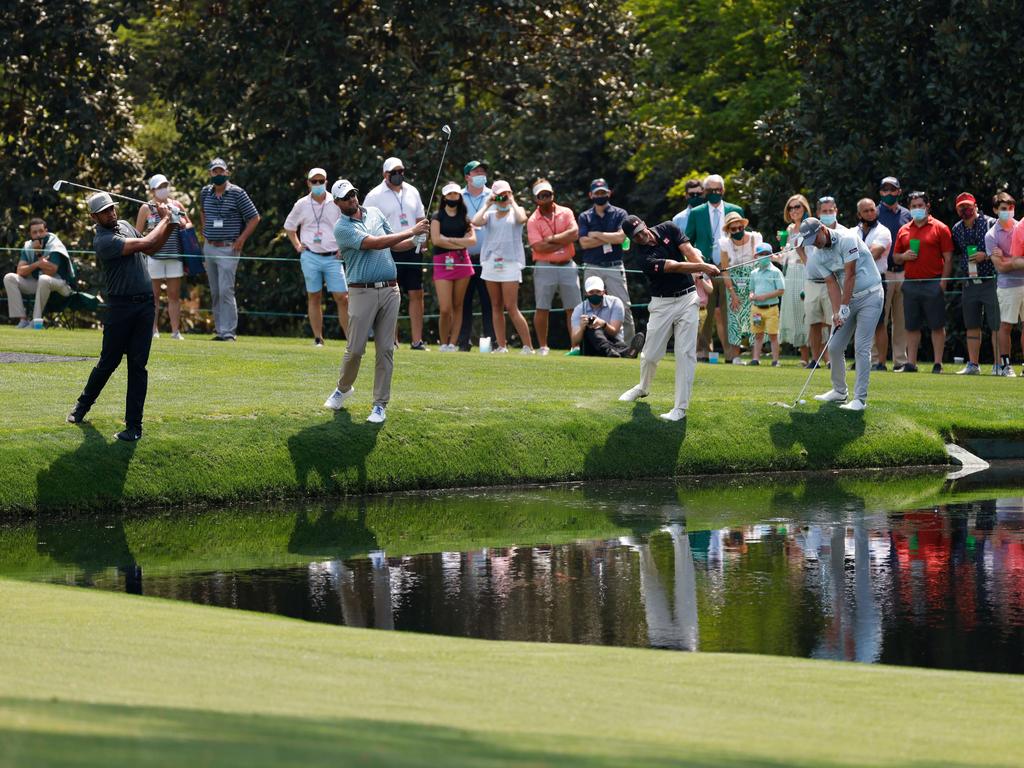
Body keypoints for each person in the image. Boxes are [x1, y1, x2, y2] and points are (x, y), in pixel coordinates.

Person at [67, 192, 178, 440]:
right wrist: (164, 219)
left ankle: (134, 427)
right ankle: (82, 406)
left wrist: (171, 225)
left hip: (145, 306)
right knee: (109, 362)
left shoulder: (126, 226)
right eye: (105, 211)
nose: (111, 213)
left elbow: (153, 249)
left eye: (112, 208)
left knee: (138, 366)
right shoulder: (103, 241)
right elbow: (147, 242)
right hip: (120, 308)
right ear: (94, 217)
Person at [323, 180, 429, 423]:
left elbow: (393, 242)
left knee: (385, 350)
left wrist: (415, 241)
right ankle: (343, 388)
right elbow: (374, 243)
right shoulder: (342, 228)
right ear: (336, 203)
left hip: (390, 290)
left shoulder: (376, 213)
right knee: (355, 349)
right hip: (362, 292)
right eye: (345, 197)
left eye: (352, 194)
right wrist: (411, 231)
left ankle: (380, 405)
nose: (351, 199)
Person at [618, 214, 720, 421]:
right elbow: (674, 266)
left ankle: (680, 408)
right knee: (651, 355)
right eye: (636, 236)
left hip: (688, 299)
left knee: (685, 354)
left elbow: (688, 251)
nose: (642, 237)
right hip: (662, 304)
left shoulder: (668, 228)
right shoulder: (641, 256)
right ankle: (643, 387)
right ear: (631, 238)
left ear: (645, 225)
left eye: (642, 231)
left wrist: (702, 271)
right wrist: (703, 267)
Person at [794, 217, 884, 411]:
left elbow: (850, 274)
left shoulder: (847, 238)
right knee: (834, 346)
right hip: (848, 299)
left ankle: (859, 399)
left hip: (871, 295)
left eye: (816, 239)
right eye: (810, 243)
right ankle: (839, 391)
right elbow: (832, 283)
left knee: (861, 347)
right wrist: (837, 312)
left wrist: (844, 306)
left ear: (823, 229)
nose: (815, 244)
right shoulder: (817, 255)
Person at [363, 157, 428, 350]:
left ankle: (417, 341)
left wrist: (424, 237)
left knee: (416, 293)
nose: (399, 175)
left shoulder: (412, 191)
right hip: (388, 249)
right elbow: (366, 224)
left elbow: (420, 218)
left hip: (413, 247)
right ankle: (391, 340)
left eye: (401, 171)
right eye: (394, 172)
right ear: (385, 174)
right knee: (391, 294)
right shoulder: (374, 195)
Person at [284, 167, 349, 347]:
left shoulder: (336, 202)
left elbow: (347, 225)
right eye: (315, 181)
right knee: (314, 296)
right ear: (309, 183)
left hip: (333, 257)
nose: (318, 184)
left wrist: (343, 248)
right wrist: (297, 245)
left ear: (327, 182)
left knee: (343, 297)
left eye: (321, 181)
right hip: (310, 255)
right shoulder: (301, 204)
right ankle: (318, 338)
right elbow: (289, 226)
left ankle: (351, 339)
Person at [199, 157, 260, 341]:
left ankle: (228, 332)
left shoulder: (237, 193)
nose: (218, 174)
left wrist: (242, 238)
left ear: (226, 172)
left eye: (221, 171)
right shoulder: (205, 193)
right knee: (215, 291)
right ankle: (219, 330)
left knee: (226, 290)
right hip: (209, 247)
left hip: (228, 248)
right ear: (210, 173)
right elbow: (203, 211)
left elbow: (254, 217)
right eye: (214, 171)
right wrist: (205, 231)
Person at [471, 180, 535, 354]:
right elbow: (475, 222)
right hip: (491, 263)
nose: (502, 197)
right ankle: (501, 346)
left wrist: (511, 200)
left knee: (511, 307)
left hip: (510, 263)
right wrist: (487, 204)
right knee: (496, 306)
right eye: (499, 194)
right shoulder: (490, 213)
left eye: (505, 194)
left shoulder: (517, 211)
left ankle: (528, 346)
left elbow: (522, 219)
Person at [684, 174, 743, 359]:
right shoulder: (697, 212)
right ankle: (702, 351)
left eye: (718, 190)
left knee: (730, 312)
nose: (715, 193)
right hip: (705, 267)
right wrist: (694, 265)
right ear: (705, 192)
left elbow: (741, 238)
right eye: (710, 190)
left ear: (723, 191)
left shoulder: (735, 210)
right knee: (705, 312)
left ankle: (731, 353)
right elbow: (687, 240)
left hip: (728, 268)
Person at [893, 192, 953, 373]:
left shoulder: (940, 228)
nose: (917, 209)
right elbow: (896, 257)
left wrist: (942, 283)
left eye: (920, 205)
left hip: (933, 282)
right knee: (911, 326)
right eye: (913, 206)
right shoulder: (904, 230)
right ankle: (911, 363)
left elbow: (948, 258)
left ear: (928, 206)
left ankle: (938, 364)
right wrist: (904, 256)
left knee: (937, 325)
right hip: (910, 283)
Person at [577, 178, 634, 343]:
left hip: (614, 266)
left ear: (609, 193)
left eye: (603, 192)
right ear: (591, 195)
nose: (600, 195)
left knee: (624, 306)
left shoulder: (621, 214)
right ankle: (592, 345)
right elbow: (584, 243)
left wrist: (595, 235)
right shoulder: (585, 216)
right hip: (592, 267)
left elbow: (620, 237)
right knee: (589, 308)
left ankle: (629, 346)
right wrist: (609, 238)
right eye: (597, 193)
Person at [526, 178, 580, 355]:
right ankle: (543, 347)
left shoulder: (566, 212)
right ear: (536, 199)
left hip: (568, 265)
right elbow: (538, 247)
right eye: (541, 195)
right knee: (542, 307)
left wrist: (551, 239)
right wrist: (561, 242)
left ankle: (575, 346)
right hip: (544, 266)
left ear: (552, 195)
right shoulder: (533, 220)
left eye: (547, 194)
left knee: (573, 308)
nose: (545, 198)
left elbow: (574, 233)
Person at [135, 174, 189, 340]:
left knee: (174, 295)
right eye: (159, 187)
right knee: (154, 296)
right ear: (152, 190)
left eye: (165, 185)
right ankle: (153, 330)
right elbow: (137, 232)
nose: (163, 189)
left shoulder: (176, 205)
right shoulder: (146, 208)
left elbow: (188, 224)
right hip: (154, 256)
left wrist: (179, 220)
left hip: (174, 255)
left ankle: (175, 331)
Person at [950, 192, 999, 375]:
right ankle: (973, 365)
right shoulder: (956, 229)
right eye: (961, 207)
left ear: (976, 206)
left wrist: (984, 255)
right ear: (957, 209)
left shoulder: (990, 223)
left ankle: (999, 365)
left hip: (991, 280)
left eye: (968, 206)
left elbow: (1002, 249)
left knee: (996, 324)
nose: (965, 209)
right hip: (970, 281)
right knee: (971, 324)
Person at [4, 217, 74, 328]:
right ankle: (23, 320)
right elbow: (20, 271)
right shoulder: (28, 246)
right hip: (39, 283)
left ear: (46, 231)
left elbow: (51, 271)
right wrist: (37, 264)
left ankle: (36, 321)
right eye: (34, 232)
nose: (38, 235)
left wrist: (38, 254)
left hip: (61, 284)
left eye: (41, 231)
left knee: (44, 279)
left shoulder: (54, 244)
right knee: (9, 278)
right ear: (30, 234)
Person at [430, 182, 476, 351]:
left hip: (462, 262)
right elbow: (436, 240)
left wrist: (449, 240)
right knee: (445, 308)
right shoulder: (437, 216)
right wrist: (460, 243)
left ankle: (452, 343)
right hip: (442, 262)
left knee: (458, 305)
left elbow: (472, 241)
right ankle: (443, 342)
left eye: (455, 194)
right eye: (449, 195)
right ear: (444, 197)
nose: (452, 197)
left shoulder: (465, 217)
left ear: (459, 196)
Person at [798, 196, 843, 369]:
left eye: (830, 211)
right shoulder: (807, 231)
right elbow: (800, 248)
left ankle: (832, 360)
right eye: (824, 211)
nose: (828, 214)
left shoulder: (843, 232)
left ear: (836, 211)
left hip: (833, 283)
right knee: (814, 322)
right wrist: (804, 258)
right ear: (818, 213)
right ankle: (815, 359)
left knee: (834, 321)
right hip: (812, 282)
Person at [457, 160, 495, 351]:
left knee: (490, 302)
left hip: (488, 257)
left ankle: (492, 342)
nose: (481, 174)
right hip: (464, 257)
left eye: (483, 171)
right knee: (464, 302)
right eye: (476, 171)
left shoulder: (493, 195)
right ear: (467, 177)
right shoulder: (458, 196)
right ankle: (463, 342)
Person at [875, 176, 911, 370]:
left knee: (901, 320)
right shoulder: (875, 213)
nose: (888, 193)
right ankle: (874, 360)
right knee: (879, 319)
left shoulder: (907, 214)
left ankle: (900, 361)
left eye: (892, 189)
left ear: (899, 191)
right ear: (880, 192)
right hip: (883, 273)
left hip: (904, 273)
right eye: (885, 190)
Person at [851, 198, 892, 371]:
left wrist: (851, 255)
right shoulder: (852, 232)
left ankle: (881, 362)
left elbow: (873, 253)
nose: (870, 213)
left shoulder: (883, 231)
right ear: (859, 214)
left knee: (880, 323)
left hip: (877, 280)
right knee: (855, 321)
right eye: (866, 211)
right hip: (855, 281)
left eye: (872, 210)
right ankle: (860, 360)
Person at [719, 210, 763, 363]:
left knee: (756, 317)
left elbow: (760, 262)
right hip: (733, 285)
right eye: (733, 228)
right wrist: (732, 294)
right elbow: (724, 271)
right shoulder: (725, 244)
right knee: (735, 320)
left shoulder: (755, 238)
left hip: (754, 283)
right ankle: (735, 356)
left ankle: (755, 356)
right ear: (728, 230)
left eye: (740, 228)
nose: (737, 231)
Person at [990, 192, 1024, 376]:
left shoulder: (1022, 226)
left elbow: (1006, 263)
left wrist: (1008, 259)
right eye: (1004, 209)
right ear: (995, 210)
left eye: (1011, 208)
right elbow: (1001, 268)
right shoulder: (991, 235)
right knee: (1006, 326)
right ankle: (1005, 365)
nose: (1008, 212)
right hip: (1007, 286)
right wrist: (1015, 261)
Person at [570, 275, 643, 358]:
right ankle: (624, 351)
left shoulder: (615, 303)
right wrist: (581, 327)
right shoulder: (579, 309)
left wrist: (603, 324)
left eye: (598, 291)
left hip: (613, 341)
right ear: (586, 293)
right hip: (589, 347)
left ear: (603, 292)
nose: (595, 294)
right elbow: (575, 341)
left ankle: (616, 351)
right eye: (591, 292)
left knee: (603, 333)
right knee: (592, 329)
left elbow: (614, 332)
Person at [778, 194, 811, 365]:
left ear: (805, 208)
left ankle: (822, 356)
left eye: (797, 207)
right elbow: (786, 256)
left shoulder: (811, 225)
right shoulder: (789, 230)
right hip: (790, 272)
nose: (793, 210)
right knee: (797, 314)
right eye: (790, 208)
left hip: (806, 271)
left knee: (810, 312)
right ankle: (804, 358)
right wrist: (776, 255)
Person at [748, 243, 785, 366]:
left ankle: (775, 360)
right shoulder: (754, 273)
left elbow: (781, 290)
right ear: (756, 256)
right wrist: (751, 295)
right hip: (757, 309)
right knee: (758, 335)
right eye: (761, 254)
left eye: (766, 254)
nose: (763, 257)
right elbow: (751, 289)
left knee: (773, 335)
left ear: (771, 256)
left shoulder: (775, 272)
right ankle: (755, 359)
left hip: (771, 309)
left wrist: (765, 296)